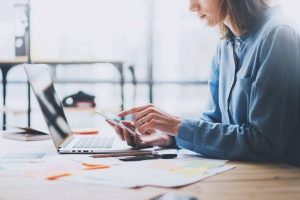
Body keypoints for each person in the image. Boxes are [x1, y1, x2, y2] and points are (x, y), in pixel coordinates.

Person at [108, 0, 300, 166]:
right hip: (242, 173)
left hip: (277, 180)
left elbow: (264, 143)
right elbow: (213, 120)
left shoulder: (278, 35)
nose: (192, 6)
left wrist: (178, 126)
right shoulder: (226, 42)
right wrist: (170, 137)